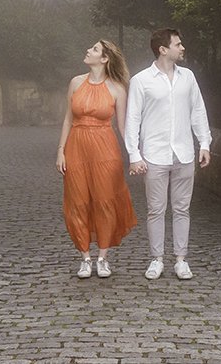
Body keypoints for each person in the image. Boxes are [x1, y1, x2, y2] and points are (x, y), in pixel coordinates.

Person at [123, 27, 211, 280]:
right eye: (177, 44)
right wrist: (134, 155)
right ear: (163, 49)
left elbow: (198, 111)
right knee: (156, 209)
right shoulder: (141, 81)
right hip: (154, 154)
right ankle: (157, 259)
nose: (182, 48)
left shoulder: (188, 78)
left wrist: (204, 143)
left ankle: (181, 260)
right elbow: (133, 119)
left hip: (183, 151)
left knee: (182, 209)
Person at [57, 38, 137, 277]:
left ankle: (102, 258)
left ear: (104, 59)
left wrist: (136, 155)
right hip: (77, 146)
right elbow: (68, 119)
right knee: (77, 201)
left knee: (104, 201)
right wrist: (61, 150)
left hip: (105, 148)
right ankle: (85, 257)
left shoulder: (117, 89)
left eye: (94, 49)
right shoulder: (75, 83)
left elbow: (123, 128)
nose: (88, 50)